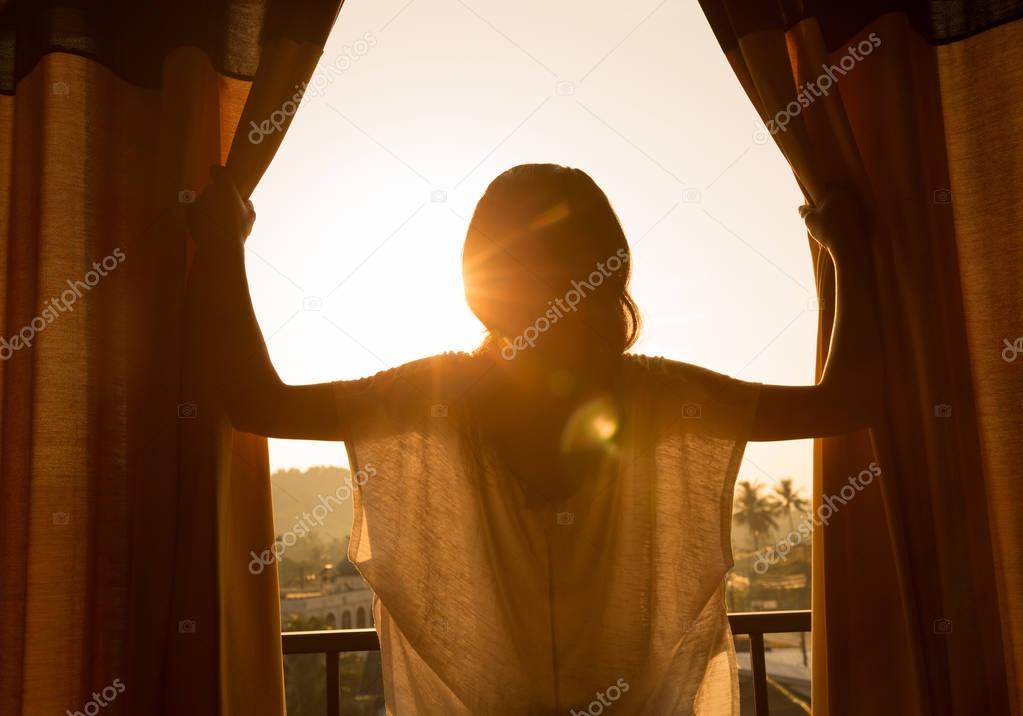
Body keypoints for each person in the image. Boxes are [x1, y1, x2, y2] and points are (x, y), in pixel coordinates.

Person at [189, 163, 880, 714]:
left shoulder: (429, 394)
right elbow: (847, 402)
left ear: (478, 276)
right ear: (609, 267)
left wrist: (223, 245)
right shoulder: (665, 397)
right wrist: (851, 253)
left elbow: (256, 402)